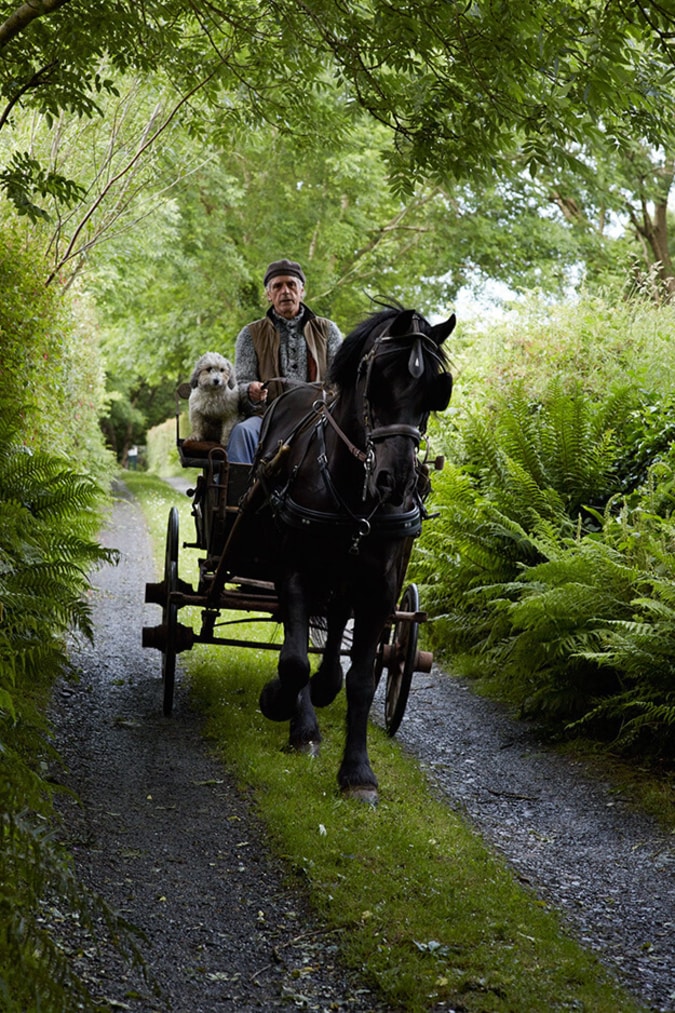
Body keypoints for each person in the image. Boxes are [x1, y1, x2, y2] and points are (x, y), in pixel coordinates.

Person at [226, 258, 343, 464]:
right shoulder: (250, 334)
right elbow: (241, 386)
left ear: (302, 290)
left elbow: (340, 381)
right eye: (277, 286)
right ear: (269, 295)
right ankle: (238, 495)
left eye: (291, 284)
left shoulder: (328, 330)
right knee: (242, 432)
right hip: (268, 419)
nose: (285, 291)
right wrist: (250, 391)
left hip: (318, 417)